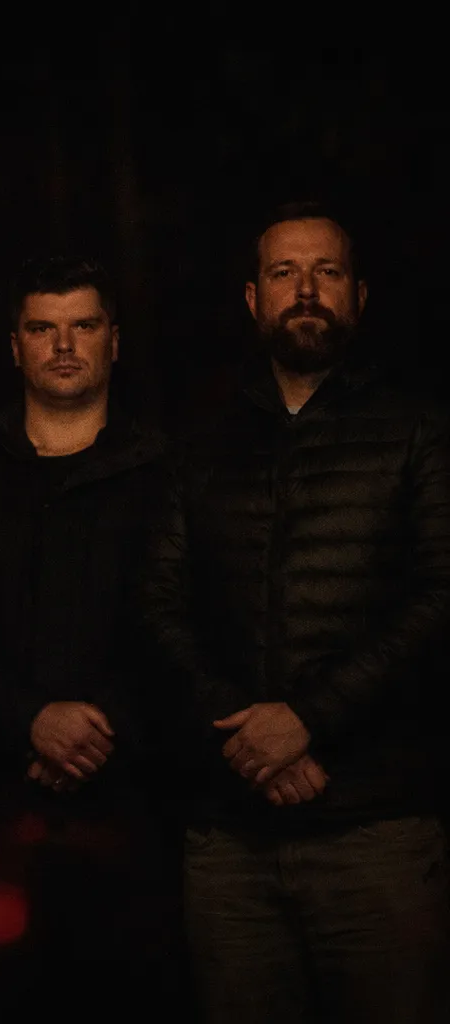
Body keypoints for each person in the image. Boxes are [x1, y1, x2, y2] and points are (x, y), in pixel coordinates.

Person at [144, 202, 450, 1023]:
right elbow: (159, 609)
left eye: (327, 272)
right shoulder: (198, 442)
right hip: (228, 841)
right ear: (253, 299)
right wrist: (249, 741)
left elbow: (441, 602)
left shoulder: (419, 432)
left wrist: (308, 721)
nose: (306, 290)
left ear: (359, 296)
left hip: (376, 832)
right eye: (284, 273)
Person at [0, 256, 185, 1020]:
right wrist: (27, 722)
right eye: (43, 328)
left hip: (140, 816)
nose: (64, 345)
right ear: (15, 346)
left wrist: (107, 725)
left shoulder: (172, 474)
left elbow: (195, 622)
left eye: (83, 326)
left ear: (114, 342)